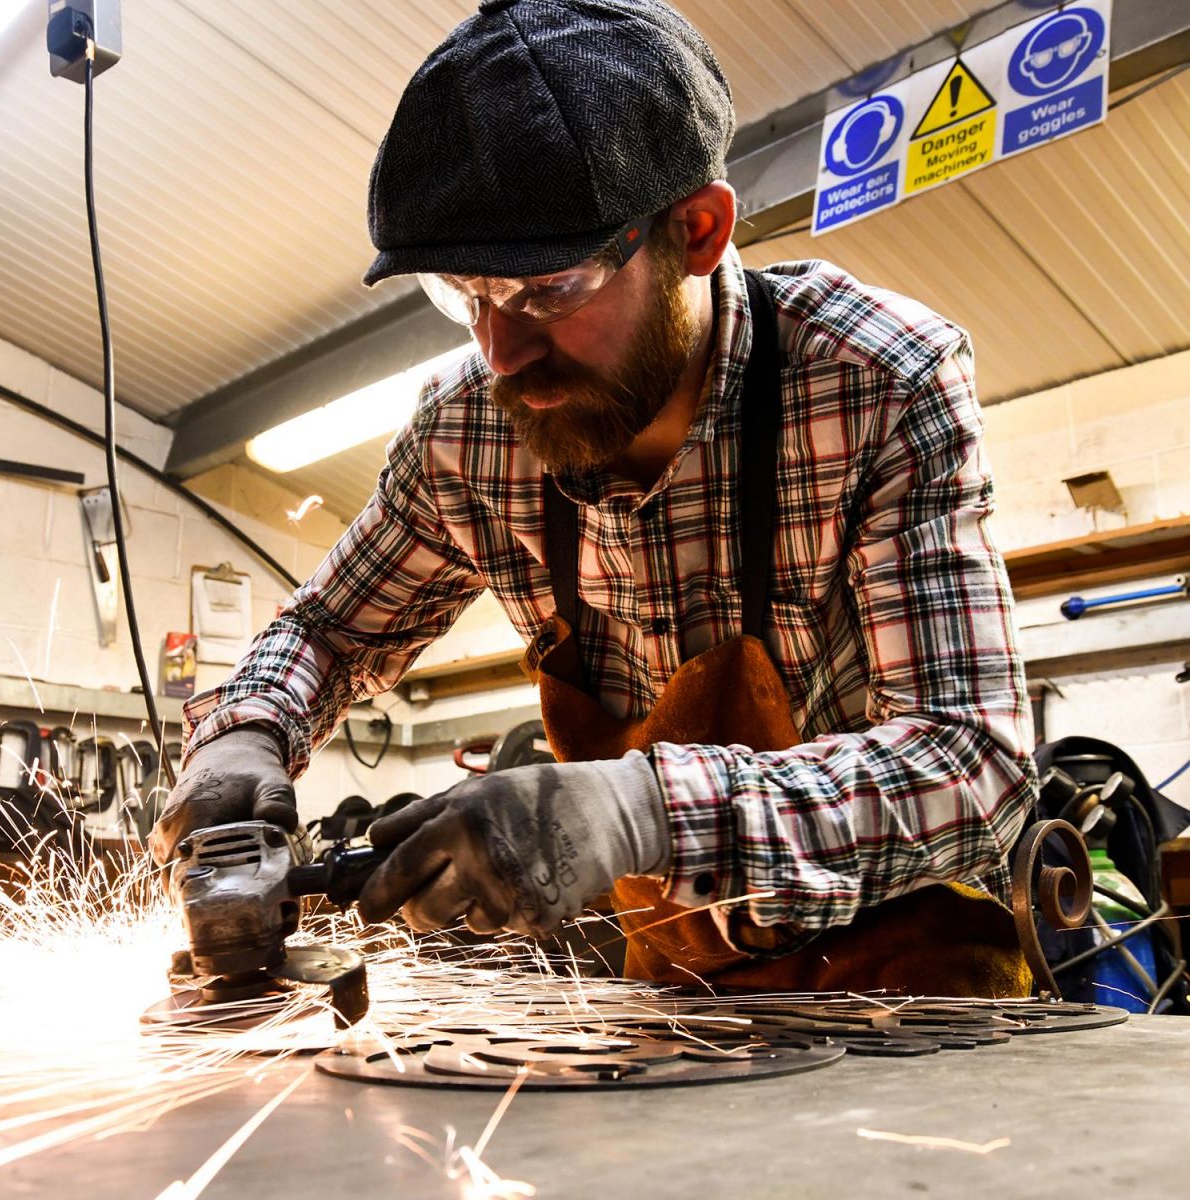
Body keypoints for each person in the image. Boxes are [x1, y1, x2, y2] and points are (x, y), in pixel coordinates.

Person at [152, 0, 1038, 995]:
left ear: (696, 231)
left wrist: (638, 813)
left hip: (904, 989)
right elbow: (329, 632)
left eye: (547, 290)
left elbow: (975, 766)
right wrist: (245, 733)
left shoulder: (874, 380)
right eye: (467, 295)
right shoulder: (467, 432)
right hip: (672, 998)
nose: (501, 350)